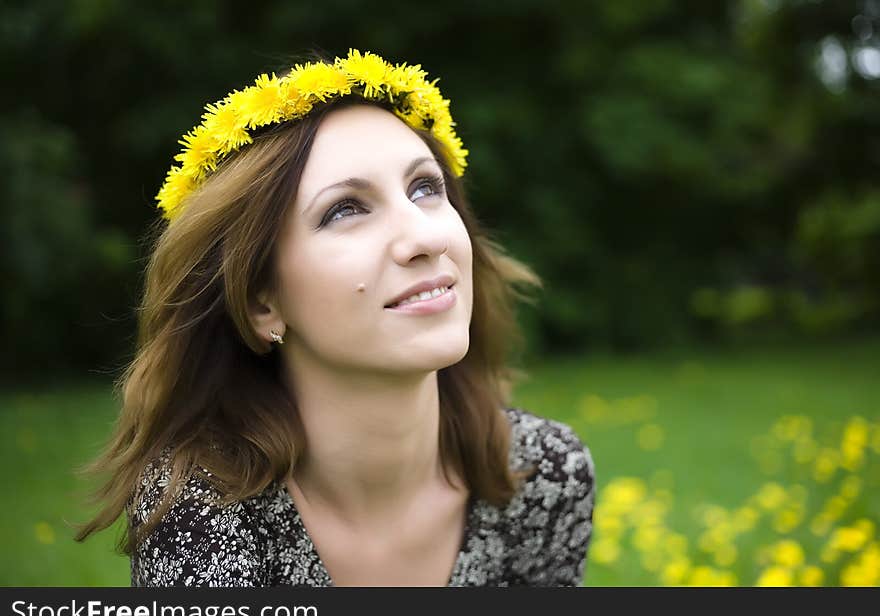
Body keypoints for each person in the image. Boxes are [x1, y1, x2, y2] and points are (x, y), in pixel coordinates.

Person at [75, 48, 596, 586]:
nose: (426, 235)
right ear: (260, 302)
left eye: (426, 187)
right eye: (345, 209)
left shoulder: (544, 473)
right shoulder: (202, 511)